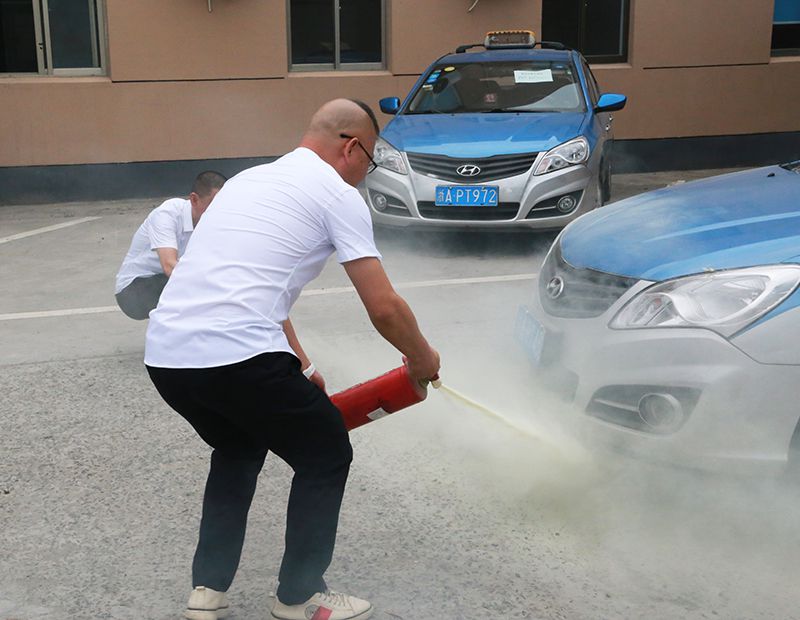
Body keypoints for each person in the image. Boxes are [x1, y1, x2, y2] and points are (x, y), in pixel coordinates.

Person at [144, 99, 440, 620]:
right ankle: (300, 596)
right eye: (370, 161)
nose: (365, 174)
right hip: (237, 356)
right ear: (352, 148)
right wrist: (423, 358)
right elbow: (384, 307)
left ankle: (207, 590)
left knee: (238, 446)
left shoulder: (246, 181)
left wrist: (301, 366)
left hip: (167, 356)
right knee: (326, 451)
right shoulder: (337, 195)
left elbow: (252, 290)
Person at [114, 171, 227, 319]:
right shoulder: (167, 214)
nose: (219, 210)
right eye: (213, 205)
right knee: (201, 289)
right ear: (194, 199)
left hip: (166, 282)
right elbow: (169, 266)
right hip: (133, 289)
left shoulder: (215, 223)